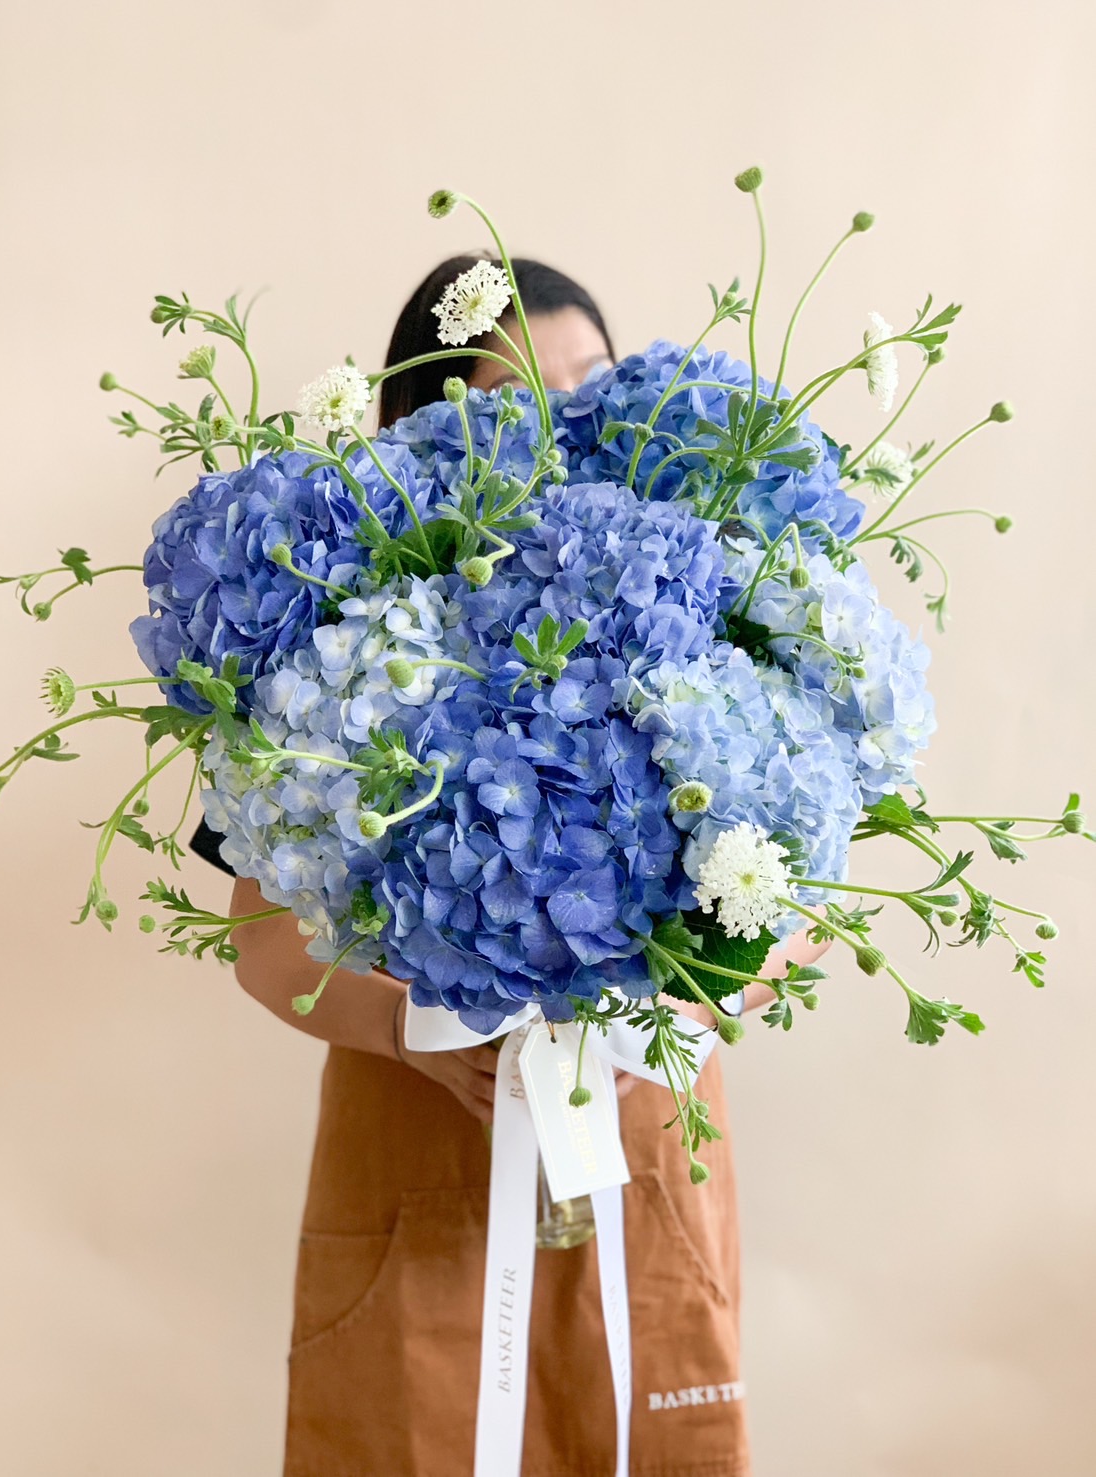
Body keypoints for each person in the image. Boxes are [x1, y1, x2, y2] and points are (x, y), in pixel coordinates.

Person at [189, 255, 831, 1477]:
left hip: (644, 1138)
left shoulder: (708, 608)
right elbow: (264, 942)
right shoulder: (334, 645)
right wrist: (434, 1043)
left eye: (591, 383)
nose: (566, 421)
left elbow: (797, 887)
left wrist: (701, 996)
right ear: (427, 427)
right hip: (418, 1145)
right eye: (514, 398)